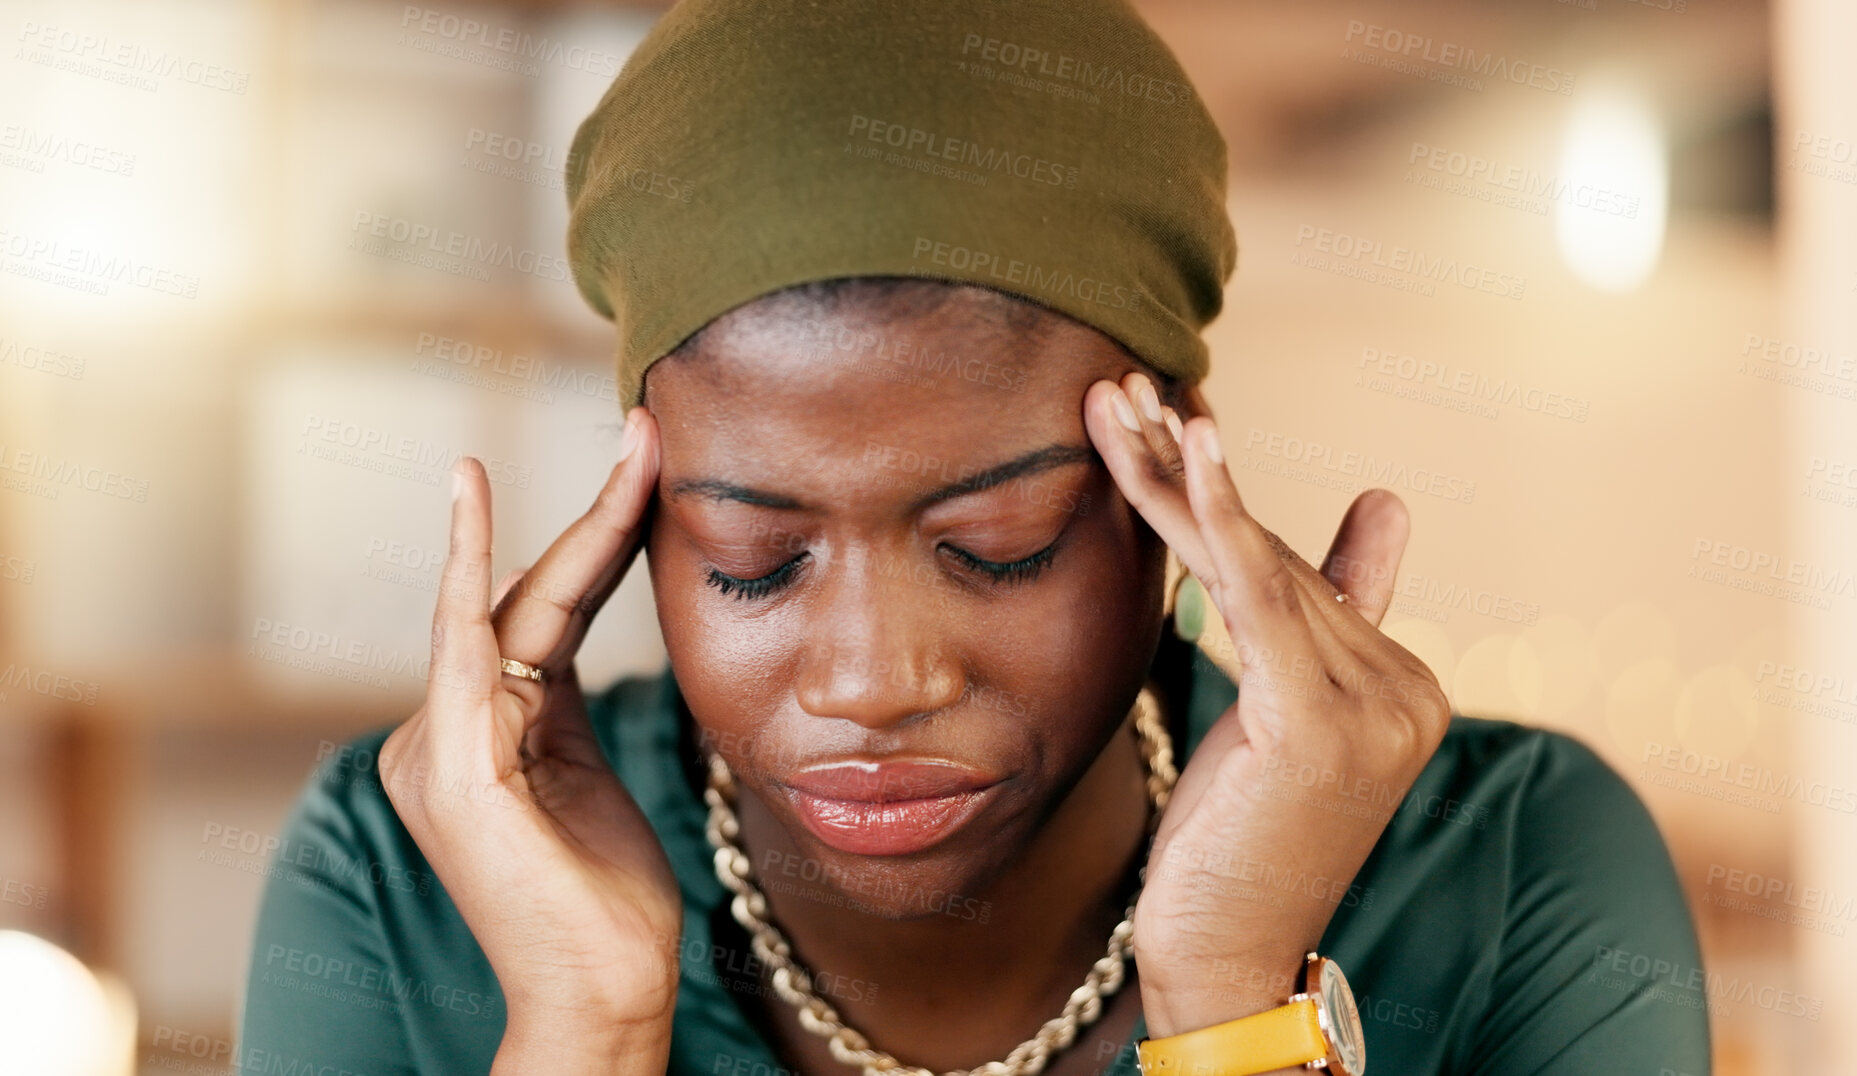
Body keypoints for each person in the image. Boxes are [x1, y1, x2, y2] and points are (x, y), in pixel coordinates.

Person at [238, 2, 1712, 1075]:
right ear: (640, 520)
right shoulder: (398, 875)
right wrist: (581, 1026)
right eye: (752, 552)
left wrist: (1231, 1004)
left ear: (1170, 475)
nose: (873, 681)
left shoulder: (1509, 861)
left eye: (998, 539)